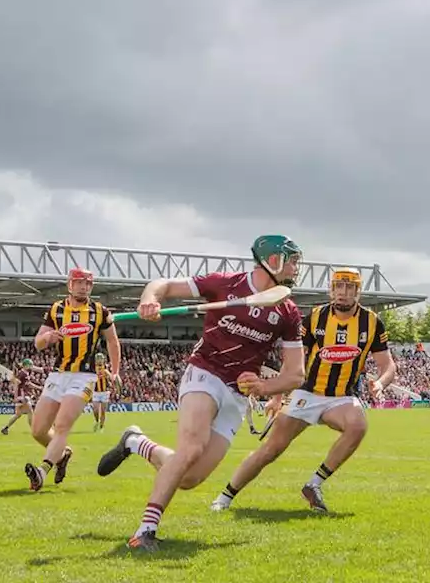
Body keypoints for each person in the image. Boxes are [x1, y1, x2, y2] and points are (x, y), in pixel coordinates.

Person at [95, 235, 307, 551]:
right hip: (204, 374)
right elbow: (163, 284)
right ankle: (145, 531)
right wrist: (150, 299)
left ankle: (135, 442)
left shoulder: (288, 312)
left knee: (190, 478)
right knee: (191, 447)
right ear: (272, 259)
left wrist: (264, 387)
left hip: (236, 395)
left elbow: (295, 374)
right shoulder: (223, 284)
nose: (295, 266)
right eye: (291, 259)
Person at [210, 268, 397, 513]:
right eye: (338, 287)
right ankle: (224, 498)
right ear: (332, 290)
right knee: (271, 449)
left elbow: (388, 364)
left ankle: (314, 484)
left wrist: (381, 383)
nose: (343, 293)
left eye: (349, 288)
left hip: (341, 398)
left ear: (357, 292)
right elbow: (293, 361)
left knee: (358, 425)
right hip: (306, 394)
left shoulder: (372, 322)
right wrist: (277, 397)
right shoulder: (315, 318)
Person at [23, 268, 122, 491]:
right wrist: (47, 337)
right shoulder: (56, 310)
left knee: (62, 426)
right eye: (79, 282)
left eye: (87, 283)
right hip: (58, 374)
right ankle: (63, 454)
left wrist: (115, 371)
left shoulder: (100, 312)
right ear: (69, 284)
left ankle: (42, 471)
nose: (83, 287)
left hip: (84, 376)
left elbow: (113, 342)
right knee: (38, 430)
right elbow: (37, 343)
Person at [91, 353, 118, 432]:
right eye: (98, 359)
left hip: (104, 392)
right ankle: (96, 421)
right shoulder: (93, 369)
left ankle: (102, 427)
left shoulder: (105, 369)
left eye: (101, 359)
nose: (99, 360)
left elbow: (111, 377)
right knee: (95, 410)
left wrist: (113, 379)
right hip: (96, 392)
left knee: (103, 411)